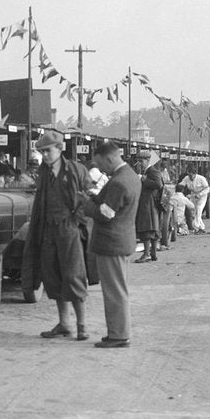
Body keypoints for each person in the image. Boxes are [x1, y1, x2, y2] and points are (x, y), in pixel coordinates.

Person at [21, 130, 91, 341]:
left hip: (69, 230)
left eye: (48, 151)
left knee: (73, 276)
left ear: (60, 149)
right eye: (42, 152)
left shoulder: (76, 170)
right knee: (52, 276)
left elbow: (90, 196)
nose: (45, 155)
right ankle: (64, 324)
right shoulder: (43, 173)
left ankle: (82, 325)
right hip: (48, 231)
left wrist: (78, 219)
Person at [77, 140, 139, 349]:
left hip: (112, 243)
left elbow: (106, 214)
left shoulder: (118, 182)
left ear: (110, 158)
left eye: (100, 163)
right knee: (117, 289)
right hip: (122, 240)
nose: (99, 168)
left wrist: (85, 205)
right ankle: (117, 331)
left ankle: (119, 335)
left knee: (114, 291)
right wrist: (95, 197)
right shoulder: (129, 176)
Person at [134, 163, 162, 262]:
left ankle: (147, 254)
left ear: (147, 160)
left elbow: (158, 184)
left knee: (147, 227)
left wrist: (144, 179)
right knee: (153, 229)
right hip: (149, 203)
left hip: (148, 204)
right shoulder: (148, 171)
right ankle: (153, 254)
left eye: (141, 161)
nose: (139, 164)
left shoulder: (152, 171)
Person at [180, 165, 209, 233]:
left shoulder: (201, 178)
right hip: (193, 195)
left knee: (199, 209)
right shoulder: (186, 178)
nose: (190, 177)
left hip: (202, 196)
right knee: (193, 211)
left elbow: (207, 188)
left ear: (195, 174)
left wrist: (199, 195)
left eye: (191, 175)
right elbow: (181, 185)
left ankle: (196, 227)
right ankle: (201, 227)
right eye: (189, 175)